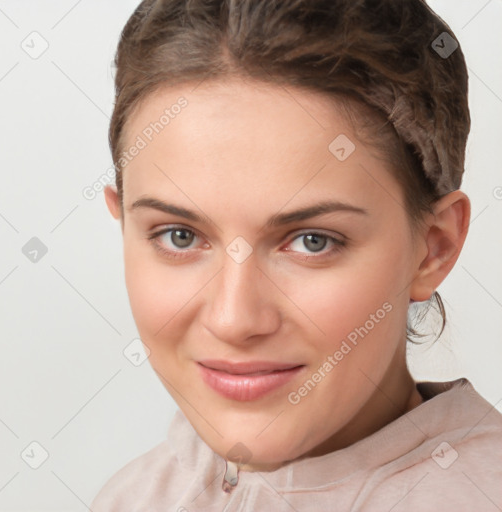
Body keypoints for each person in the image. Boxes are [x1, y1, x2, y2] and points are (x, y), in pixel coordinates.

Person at [91, 0, 502, 510]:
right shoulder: (135, 498)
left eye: (313, 241)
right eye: (178, 235)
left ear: (433, 249)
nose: (234, 320)